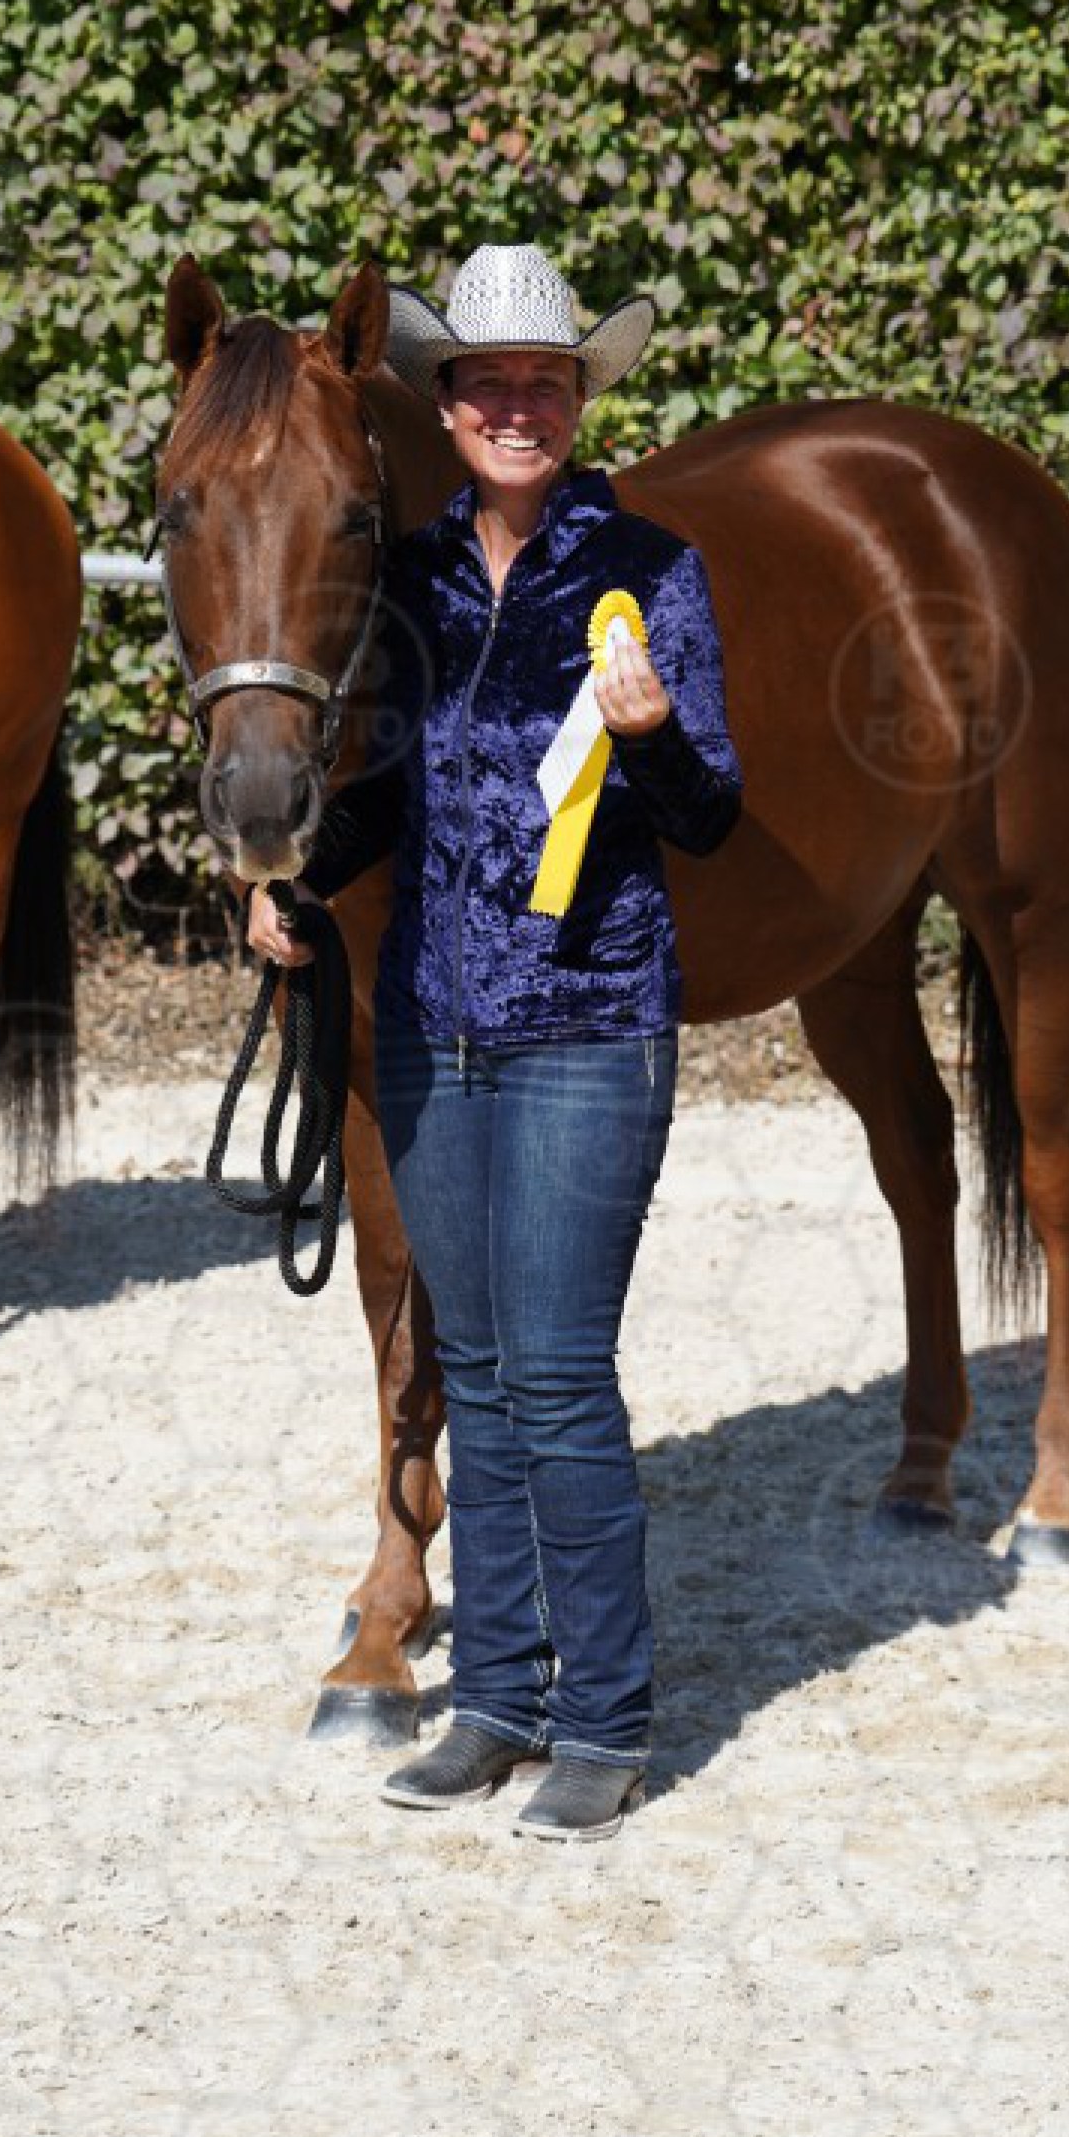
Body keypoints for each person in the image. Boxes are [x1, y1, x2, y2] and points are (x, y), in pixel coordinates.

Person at [250, 241, 742, 1842]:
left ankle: (603, 1720)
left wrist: (652, 739)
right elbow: (386, 790)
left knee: (560, 1375)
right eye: (489, 385)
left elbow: (709, 819)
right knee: (470, 1366)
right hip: (432, 1029)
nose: (517, 407)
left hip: (590, 1021)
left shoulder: (651, 569)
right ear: (447, 404)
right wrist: (299, 883)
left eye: (546, 383)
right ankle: (497, 1701)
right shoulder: (410, 577)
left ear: (578, 401)